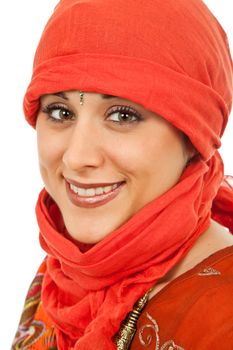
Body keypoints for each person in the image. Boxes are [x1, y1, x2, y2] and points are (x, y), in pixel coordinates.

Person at [12, 0, 233, 349]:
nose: (76, 157)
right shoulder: (65, 272)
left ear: (193, 136)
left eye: (123, 116)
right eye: (59, 111)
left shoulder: (223, 319)